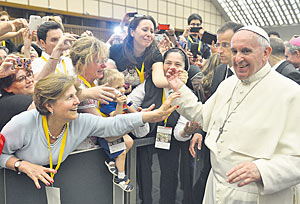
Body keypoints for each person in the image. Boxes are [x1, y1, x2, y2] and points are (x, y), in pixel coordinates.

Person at [166, 25, 300, 204]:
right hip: (216, 187)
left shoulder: (290, 93)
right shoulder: (228, 84)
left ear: (266, 53)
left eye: (246, 51)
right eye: (234, 50)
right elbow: (204, 117)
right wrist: (179, 88)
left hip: (257, 195)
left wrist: (263, 171)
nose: (238, 58)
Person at [0, 73, 179, 189]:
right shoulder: (23, 123)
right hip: (13, 188)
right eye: (70, 97)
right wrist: (21, 165)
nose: (78, 102)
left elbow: (113, 125)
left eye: (76, 96)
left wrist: (149, 116)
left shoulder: (79, 122)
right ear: (49, 105)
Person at [127, 48, 191, 204]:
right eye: (168, 62)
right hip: (145, 144)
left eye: (177, 64)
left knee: (169, 181)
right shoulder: (148, 85)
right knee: (146, 183)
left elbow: (179, 132)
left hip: (172, 145)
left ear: (185, 68)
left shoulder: (186, 92)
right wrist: (141, 116)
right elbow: (127, 102)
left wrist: (187, 131)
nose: (172, 67)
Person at [98, 68, 141, 192]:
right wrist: (119, 105)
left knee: (129, 142)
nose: (122, 90)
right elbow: (115, 118)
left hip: (117, 132)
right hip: (107, 135)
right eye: (117, 88)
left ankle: (112, 160)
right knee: (122, 152)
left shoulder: (121, 99)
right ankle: (121, 177)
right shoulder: (106, 103)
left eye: (123, 86)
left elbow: (130, 111)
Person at [109, 15, 168, 93]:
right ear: (132, 32)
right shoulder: (115, 50)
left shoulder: (155, 54)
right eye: (145, 30)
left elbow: (159, 80)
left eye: (151, 31)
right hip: (118, 97)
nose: (149, 34)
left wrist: (177, 81)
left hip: (143, 98)